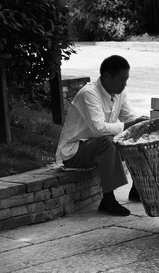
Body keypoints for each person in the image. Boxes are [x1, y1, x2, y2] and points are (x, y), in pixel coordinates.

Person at [56, 55, 149, 216]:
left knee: (137, 136)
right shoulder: (89, 94)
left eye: (125, 80)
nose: (124, 84)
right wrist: (130, 125)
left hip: (97, 146)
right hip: (74, 151)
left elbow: (130, 118)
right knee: (108, 142)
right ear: (106, 76)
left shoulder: (119, 93)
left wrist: (142, 125)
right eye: (121, 80)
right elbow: (99, 129)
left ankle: (137, 189)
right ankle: (108, 199)